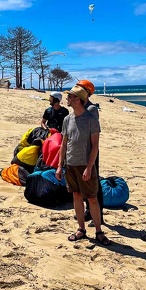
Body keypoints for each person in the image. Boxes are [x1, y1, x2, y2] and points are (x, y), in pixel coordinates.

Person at [56, 85, 111, 245]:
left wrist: (89, 167)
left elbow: (95, 146)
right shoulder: (67, 119)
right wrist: (60, 166)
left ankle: (99, 232)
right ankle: (81, 229)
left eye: (70, 97)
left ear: (78, 99)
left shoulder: (91, 119)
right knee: (76, 196)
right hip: (71, 165)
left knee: (92, 199)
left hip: (85, 166)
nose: (67, 99)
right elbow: (63, 145)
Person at [75, 80, 104, 223]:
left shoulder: (91, 109)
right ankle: (88, 211)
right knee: (83, 181)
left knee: (93, 180)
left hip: (90, 150)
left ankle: (99, 215)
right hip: (80, 150)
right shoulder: (80, 106)